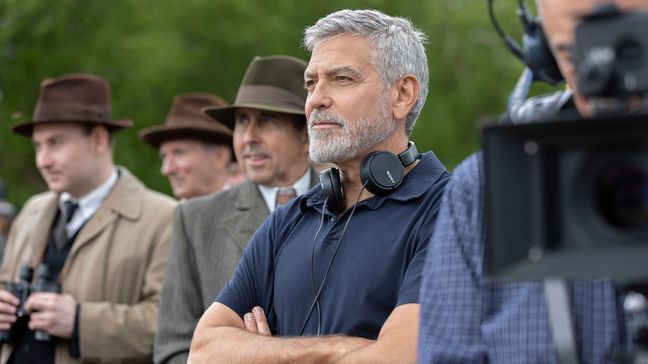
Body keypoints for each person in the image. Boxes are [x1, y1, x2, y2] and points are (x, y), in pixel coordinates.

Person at [188, 9, 450, 363]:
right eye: (311, 83)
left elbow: (400, 358)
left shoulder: (450, 210)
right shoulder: (287, 221)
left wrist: (264, 352)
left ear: (402, 94)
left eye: (342, 78)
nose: (315, 100)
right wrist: (343, 349)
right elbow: (204, 351)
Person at [417, 0, 648, 363]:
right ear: (544, 54)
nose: (612, 78)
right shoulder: (484, 188)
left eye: (635, 43)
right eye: (575, 55)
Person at [0, 73, 176, 364]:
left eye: (56, 143)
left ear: (97, 140)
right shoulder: (31, 210)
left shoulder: (163, 218)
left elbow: (172, 324)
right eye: (38, 146)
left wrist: (81, 322)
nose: (43, 160)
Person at [154, 55, 319, 364]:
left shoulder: (352, 204)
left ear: (306, 136)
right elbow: (172, 349)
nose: (248, 138)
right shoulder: (195, 219)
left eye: (267, 121)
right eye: (242, 122)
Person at [139, 93, 239, 200]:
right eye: (164, 156)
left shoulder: (255, 214)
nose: (167, 169)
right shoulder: (166, 215)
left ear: (219, 157)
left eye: (179, 153)